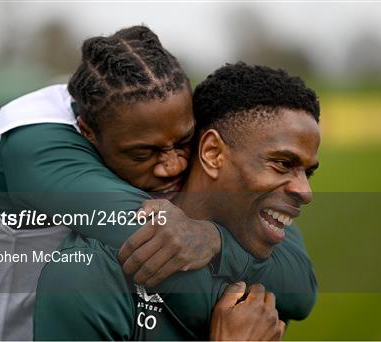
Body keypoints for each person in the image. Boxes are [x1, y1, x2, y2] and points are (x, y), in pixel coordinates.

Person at [0, 26, 316, 340]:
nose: (173, 165)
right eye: (144, 154)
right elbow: (165, 254)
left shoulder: (167, 127)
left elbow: (300, 286)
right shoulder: (32, 142)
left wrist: (216, 239)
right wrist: (249, 304)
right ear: (88, 134)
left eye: (183, 142)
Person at [34, 62, 320, 340]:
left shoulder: (262, 232)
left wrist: (217, 241)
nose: (305, 192)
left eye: (307, 172)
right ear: (212, 153)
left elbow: (304, 292)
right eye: (283, 163)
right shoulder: (87, 278)